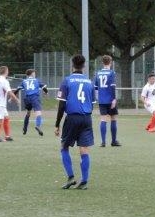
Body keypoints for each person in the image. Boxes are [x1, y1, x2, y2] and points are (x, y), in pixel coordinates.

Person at [54, 54, 94, 190]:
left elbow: (61, 105)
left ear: (72, 66)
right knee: (84, 149)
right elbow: (92, 103)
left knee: (64, 147)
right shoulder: (89, 82)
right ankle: (84, 180)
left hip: (72, 118)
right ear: (84, 66)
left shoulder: (67, 81)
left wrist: (57, 124)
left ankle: (71, 177)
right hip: (86, 118)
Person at [95, 54, 121, 147]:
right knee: (113, 118)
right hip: (110, 100)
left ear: (102, 62)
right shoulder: (111, 73)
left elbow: (96, 87)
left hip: (102, 100)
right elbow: (113, 86)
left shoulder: (98, 73)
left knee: (103, 119)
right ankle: (113, 141)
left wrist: (98, 98)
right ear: (111, 62)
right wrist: (113, 99)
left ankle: (103, 142)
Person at [0, 65, 18, 142]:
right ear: (6, 71)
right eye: (7, 70)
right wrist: (16, 100)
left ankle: (7, 136)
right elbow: (9, 92)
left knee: (6, 117)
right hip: (0, 103)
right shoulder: (4, 81)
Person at [19, 68, 48, 136]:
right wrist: (46, 92)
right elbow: (44, 88)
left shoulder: (24, 81)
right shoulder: (36, 80)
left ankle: (25, 128)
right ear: (32, 74)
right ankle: (38, 126)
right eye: (34, 73)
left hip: (27, 98)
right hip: (34, 98)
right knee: (38, 113)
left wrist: (12, 97)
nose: (35, 74)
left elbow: (17, 89)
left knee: (28, 113)